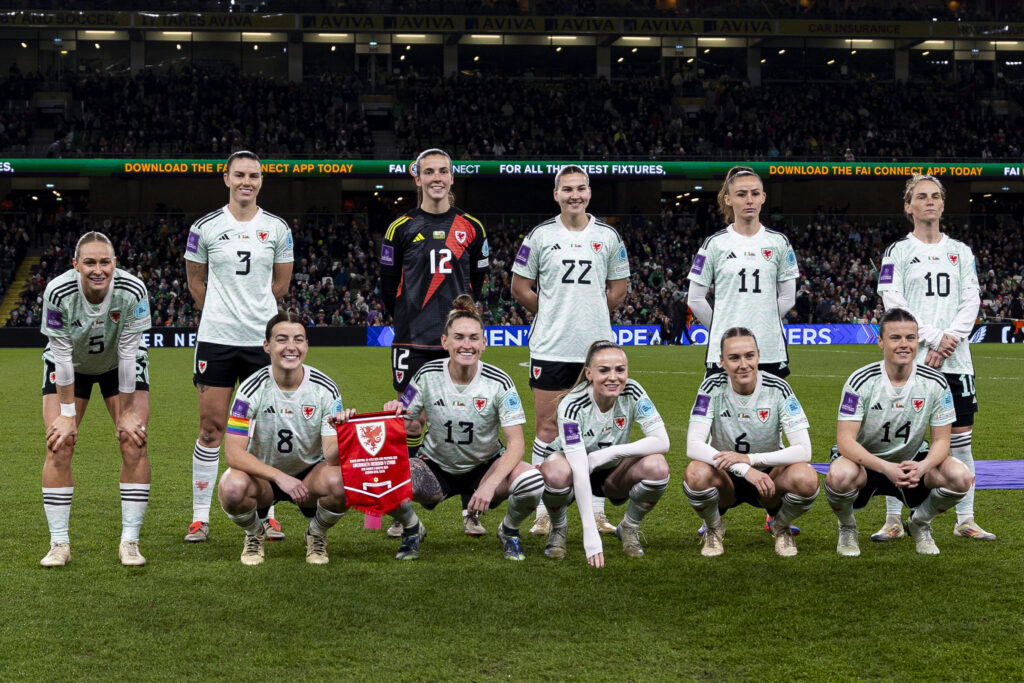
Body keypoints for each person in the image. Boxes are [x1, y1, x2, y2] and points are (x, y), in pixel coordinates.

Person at [361, 295, 543, 561]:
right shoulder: (425, 375)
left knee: (532, 481)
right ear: (445, 342)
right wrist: (394, 412)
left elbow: (516, 443)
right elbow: (410, 423)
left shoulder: (499, 382)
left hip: (485, 466)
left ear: (484, 342)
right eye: (458, 337)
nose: (466, 345)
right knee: (387, 478)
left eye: (473, 338)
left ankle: (509, 531)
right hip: (435, 466)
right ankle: (412, 529)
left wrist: (490, 484)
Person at [511, 165, 630, 538]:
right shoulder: (540, 235)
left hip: (596, 351)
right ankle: (545, 512)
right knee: (547, 428)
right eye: (567, 189)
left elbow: (619, 288)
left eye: (580, 189)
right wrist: (552, 314)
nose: (574, 195)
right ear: (556, 194)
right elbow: (520, 286)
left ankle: (594, 512)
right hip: (550, 346)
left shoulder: (608, 236)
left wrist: (590, 315)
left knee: (598, 431)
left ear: (589, 193)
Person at [874, 174, 993, 542]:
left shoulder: (961, 251)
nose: (929, 201)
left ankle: (965, 519)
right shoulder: (897, 252)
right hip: (909, 360)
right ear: (908, 206)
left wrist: (950, 341)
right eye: (921, 197)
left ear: (943, 204)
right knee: (900, 441)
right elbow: (894, 303)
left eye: (935, 196)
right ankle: (894, 518)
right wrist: (932, 339)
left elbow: (971, 299)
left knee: (960, 442)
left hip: (955, 362)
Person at [379, 148, 491, 539]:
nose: (437, 177)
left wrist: (461, 322)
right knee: (408, 421)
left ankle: (471, 509)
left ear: (452, 177)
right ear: (417, 178)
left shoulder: (472, 227)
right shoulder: (400, 228)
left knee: (471, 416)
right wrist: (411, 314)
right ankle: (402, 508)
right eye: (429, 172)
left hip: (458, 340)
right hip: (413, 338)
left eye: (443, 170)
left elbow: (477, 286)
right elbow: (385, 287)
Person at [183, 150, 294, 543]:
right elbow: (196, 282)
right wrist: (219, 311)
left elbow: (281, 286)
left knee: (264, 429)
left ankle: (269, 514)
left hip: (260, 343)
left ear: (261, 180)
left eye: (254, 175)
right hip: (216, 339)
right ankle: (200, 517)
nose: (247, 181)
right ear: (226, 178)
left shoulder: (278, 228)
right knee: (211, 428)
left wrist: (255, 316)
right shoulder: (204, 227)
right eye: (240, 175)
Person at [686, 165, 800, 535]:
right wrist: (724, 334)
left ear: (763, 198)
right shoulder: (714, 245)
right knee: (718, 431)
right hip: (724, 357)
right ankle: (716, 513)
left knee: (774, 431)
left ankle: (773, 509)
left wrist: (762, 324)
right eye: (741, 194)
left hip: (769, 352)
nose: (749, 200)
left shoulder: (779, 244)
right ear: (728, 199)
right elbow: (696, 298)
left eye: (755, 193)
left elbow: (787, 297)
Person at [39, 231, 152, 567]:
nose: (97, 269)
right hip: (70, 365)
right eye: (89, 262)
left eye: (105, 262)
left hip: (119, 364)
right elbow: (59, 355)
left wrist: (128, 411)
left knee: (134, 441)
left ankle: (130, 541)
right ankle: (59, 544)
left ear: (115, 264)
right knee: (60, 442)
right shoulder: (58, 291)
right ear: (76, 265)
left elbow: (130, 352)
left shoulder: (133, 289)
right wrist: (67, 414)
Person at [824, 308, 972, 556]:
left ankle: (920, 524)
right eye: (895, 338)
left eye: (910, 338)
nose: (904, 345)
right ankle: (847, 527)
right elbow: (845, 442)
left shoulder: (936, 383)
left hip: (911, 462)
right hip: (866, 463)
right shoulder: (861, 380)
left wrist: (922, 468)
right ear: (880, 341)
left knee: (960, 476)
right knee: (839, 475)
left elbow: (942, 442)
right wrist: (885, 467)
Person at [217, 312, 349, 565]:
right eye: (282, 339)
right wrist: (279, 477)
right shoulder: (250, 390)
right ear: (267, 346)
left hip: (310, 476)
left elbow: (332, 456)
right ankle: (255, 533)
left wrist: (345, 434)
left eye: (299, 340)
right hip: (265, 478)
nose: (291, 347)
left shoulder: (325, 388)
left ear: (306, 346)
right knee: (231, 488)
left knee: (342, 482)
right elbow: (233, 454)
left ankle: (316, 534)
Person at [682, 328, 819, 558]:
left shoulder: (778, 388)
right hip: (725, 475)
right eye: (734, 358)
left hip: (769, 479)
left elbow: (804, 450)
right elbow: (693, 445)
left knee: (806, 478)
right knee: (695, 473)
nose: (743, 364)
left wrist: (752, 460)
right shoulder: (711, 387)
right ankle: (714, 528)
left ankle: (780, 525)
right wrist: (744, 469)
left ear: (758, 356)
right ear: (722, 362)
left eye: (749, 355)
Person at [538, 341, 670, 567]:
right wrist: (590, 534)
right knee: (556, 471)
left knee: (657, 466)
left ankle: (629, 527)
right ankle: (559, 528)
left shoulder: (633, 391)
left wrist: (608, 453)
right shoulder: (572, 404)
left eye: (620, 369)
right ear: (589, 373)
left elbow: (662, 441)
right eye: (604, 370)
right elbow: (580, 469)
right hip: (573, 470)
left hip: (611, 472)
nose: (613, 377)